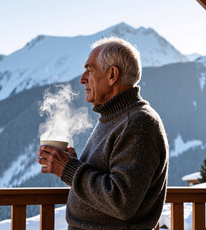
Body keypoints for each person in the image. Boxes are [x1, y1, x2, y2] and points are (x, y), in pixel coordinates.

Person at [36, 37, 169, 230]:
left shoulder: (138, 123)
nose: (82, 79)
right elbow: (104, 184)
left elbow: (121, 201)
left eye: (89, 70)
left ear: (112, 74)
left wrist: (70, 169)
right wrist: (74, 165)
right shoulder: (114, 118)